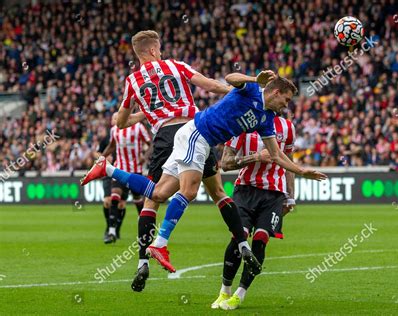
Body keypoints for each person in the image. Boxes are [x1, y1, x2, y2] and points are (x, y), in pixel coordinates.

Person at [82, 70, 327, 275]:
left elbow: (276, 155)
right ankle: (160, 244)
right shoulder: (251, 90)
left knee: (159, 192)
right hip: (196, 135)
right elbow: (231, 77)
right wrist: (255, 78)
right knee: (188, 191)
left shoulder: (267, 118)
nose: (286, 105)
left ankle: (108, 168)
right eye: (285, 99)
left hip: (198, 139)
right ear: (274, 91)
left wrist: (302, 170)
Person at [81, 30, 258, 292]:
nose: (161, 52)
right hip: (197, 129)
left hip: (165, 136)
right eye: (159, 48)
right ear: (153, 50)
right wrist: (235, 91)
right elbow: (209, 84)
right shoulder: (175, 65)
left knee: (153, 201)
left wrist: (144, 115)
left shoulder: (132, 81)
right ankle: (243, 246)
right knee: (217, 192)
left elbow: (120, 121)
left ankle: (143, 261)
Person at [211, 115, 296, 310]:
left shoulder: (288, 128)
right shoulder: (242, 123)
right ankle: (225, 290)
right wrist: (256, 157)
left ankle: (240, 295)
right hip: (246, 190)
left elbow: (289, 163)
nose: (286, 102)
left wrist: (290, 196)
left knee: (260, 238)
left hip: (274, 194)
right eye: (284, 97)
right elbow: (225, 163)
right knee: (238, 237)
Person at [100, 113, 152, 243]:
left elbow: (150, 144)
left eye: (119, 117)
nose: (117, 120)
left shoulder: (139, 127)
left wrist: (144, 157)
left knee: (138, 200)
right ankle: (111, 232)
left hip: (135, 171)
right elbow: (111, 146)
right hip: (120, 170)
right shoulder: (114, 130)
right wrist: (102, 157)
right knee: (115, 196)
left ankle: (146, 231)